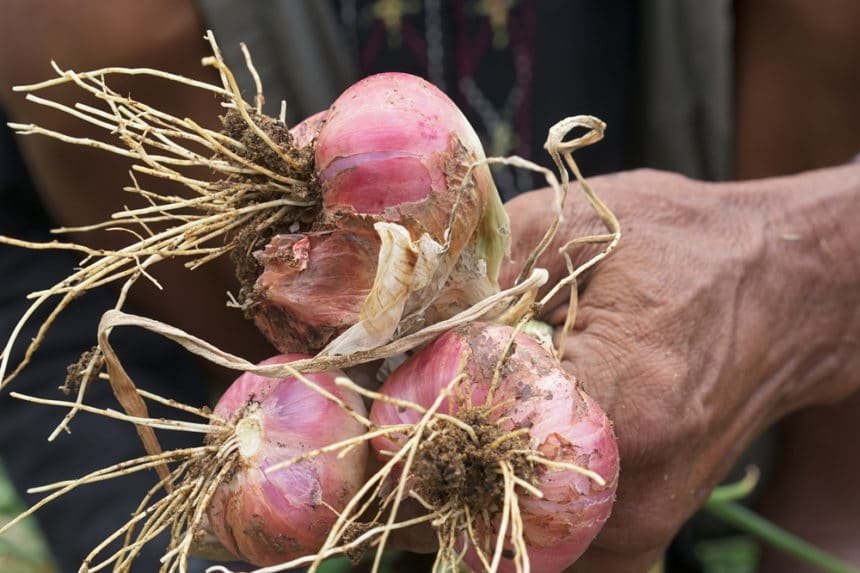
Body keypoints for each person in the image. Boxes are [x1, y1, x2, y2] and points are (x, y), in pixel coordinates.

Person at [1, 1, 858, 572]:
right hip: (321, 501)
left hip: (795, 455)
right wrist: (146, 531)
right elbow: (26, 250)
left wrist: (801, 261)